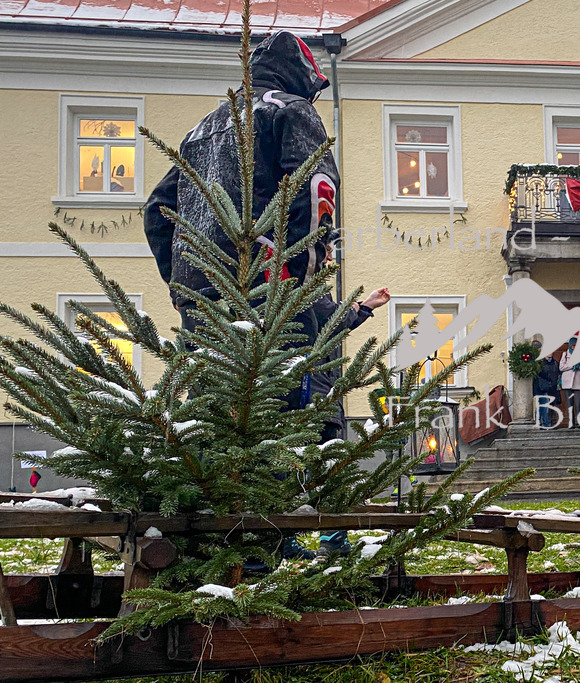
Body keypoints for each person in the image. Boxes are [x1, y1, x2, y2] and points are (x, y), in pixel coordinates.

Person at [143, 31, 339, 560]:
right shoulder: (290, 111)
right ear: (302, 77)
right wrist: (302, 269)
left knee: (210, 407)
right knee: (276, 409)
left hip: (204, 296)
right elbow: (316, 189)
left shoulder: (201, 130)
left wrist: (182, 283)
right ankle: (264, 542)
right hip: (266, 290)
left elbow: (156, 210)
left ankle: (206, 536)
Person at [310, 284, 390, 558]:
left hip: (317, 389)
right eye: (326, 249)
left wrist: (365, 307)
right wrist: (359, 307)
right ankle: (332, 539)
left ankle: (291, 540)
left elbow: (333, 323)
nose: (330, 256)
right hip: (314, 393)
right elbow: (331, 317)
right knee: (331, 467)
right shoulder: (302, 278)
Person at [532, 340, 560, 428]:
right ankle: (543, 423)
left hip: (547, 386)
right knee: (543, 405)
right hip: (541, 385)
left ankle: (544, 423)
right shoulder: (538, 361)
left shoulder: (553, 362)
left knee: (544, 405)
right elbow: (540, 372)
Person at [559, 337, 580, 429]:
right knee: (569, 403)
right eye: (573, 345)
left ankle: (579, 422)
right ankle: (571, 423)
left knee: (579, 403)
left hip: (578, 382)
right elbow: (561, 367)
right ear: (570, 345)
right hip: (567, 382)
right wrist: (572, 364)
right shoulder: (565, 354)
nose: (575, 347)